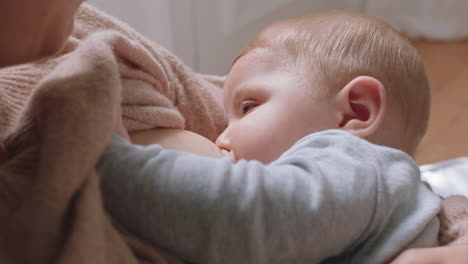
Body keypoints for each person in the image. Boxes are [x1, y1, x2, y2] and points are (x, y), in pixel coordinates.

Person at [98, 11, 464, 264]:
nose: (222, 136)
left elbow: (244, 216)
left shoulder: (355, 164)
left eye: (249, 106)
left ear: (355, 112)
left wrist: (111, 160)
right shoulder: (399, 197)